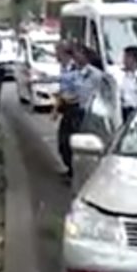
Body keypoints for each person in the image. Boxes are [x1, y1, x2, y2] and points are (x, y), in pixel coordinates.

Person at [53, 42, 82, 182]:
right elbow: (63, 90)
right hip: (66, 107)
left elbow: (78, 90)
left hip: (75, 108)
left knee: (69, 140)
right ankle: (70, 169)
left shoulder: (75, 69)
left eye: (57, 52)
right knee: (63, 141)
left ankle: (73, 171)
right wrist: (56, 108)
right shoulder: (63, 68)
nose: (55, 55)